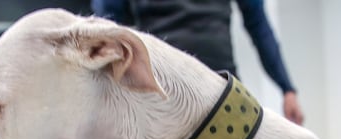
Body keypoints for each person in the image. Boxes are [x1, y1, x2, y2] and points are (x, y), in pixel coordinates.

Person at [92, 0, 305, 125]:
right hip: (216, 89)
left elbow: (105, 26)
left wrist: (287, 88)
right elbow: (259, 26)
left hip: (167, 92)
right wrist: (286, 88)